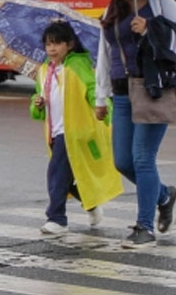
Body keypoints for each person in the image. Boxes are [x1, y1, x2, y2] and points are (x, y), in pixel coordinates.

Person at [94, 0, 176, 248]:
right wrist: (101, 96)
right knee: (122, 161)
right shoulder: (112, 10)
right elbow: (105, 53)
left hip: (152, 87)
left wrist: (150, 28)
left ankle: (144, 228)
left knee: (142, 158)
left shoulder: (160, 1)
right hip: (121, 92)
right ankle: (164, 196)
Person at [31, 21, 122, 235]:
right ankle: (91, 204)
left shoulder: (78, 66)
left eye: (57, 43)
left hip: (75, 131)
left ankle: (57, 218)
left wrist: (100, 105)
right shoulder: (44, 70)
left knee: (56, 173)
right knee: (70, 176)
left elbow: (92, 89)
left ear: (70, 44)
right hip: (54, 132)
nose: (51, 49)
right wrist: (37, 103)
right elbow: (38, 99)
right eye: (48, 44)